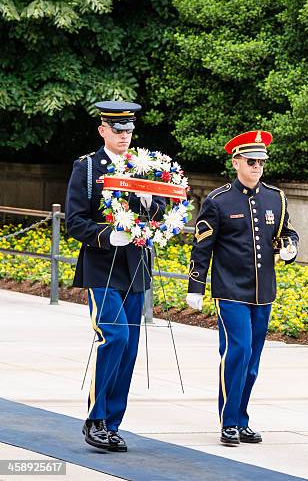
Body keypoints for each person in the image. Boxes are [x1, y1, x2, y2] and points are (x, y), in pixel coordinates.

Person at [185, 130, 299, 446]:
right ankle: (229, 422)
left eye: (261, 162)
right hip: (230, 290)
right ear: (236, 162)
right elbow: (202, 246)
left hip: (263, 292)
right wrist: (196, 286)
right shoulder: (218, 201)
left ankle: (241, 418)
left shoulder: (276, 197)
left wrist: (290, 247)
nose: (257, 167)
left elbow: (285, 233)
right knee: (238, 352)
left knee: (252, 364)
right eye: (251, 162)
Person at [66, 101, 165, 451]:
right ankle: (95, 418)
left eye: (129, 130)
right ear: (103, 131)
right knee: (115, 338)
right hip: (102, 268)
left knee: (130, 349)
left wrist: (150, 201)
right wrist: (106, 235)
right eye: (118, 129)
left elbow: (161, 210)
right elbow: (74, 221)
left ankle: (112, 423)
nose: (124, 135)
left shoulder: (144, 167)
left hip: (134, 268)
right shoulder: (88, 167)